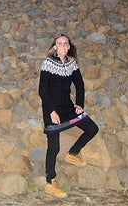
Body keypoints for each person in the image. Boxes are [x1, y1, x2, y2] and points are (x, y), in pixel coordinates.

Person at [37, 34, 99, 197]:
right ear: (55, 47)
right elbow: (43, 90)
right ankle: (50, 182)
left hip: (67, 106)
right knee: (54, 146)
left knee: (92, 128)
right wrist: (51, 111)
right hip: (51, 109)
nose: (63, 46)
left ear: (69, 47)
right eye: (60, 43)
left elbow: (79, 84)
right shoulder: (48, 63)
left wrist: (79, 104)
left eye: (66, 43)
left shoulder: (72, 63)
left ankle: (72, 153)